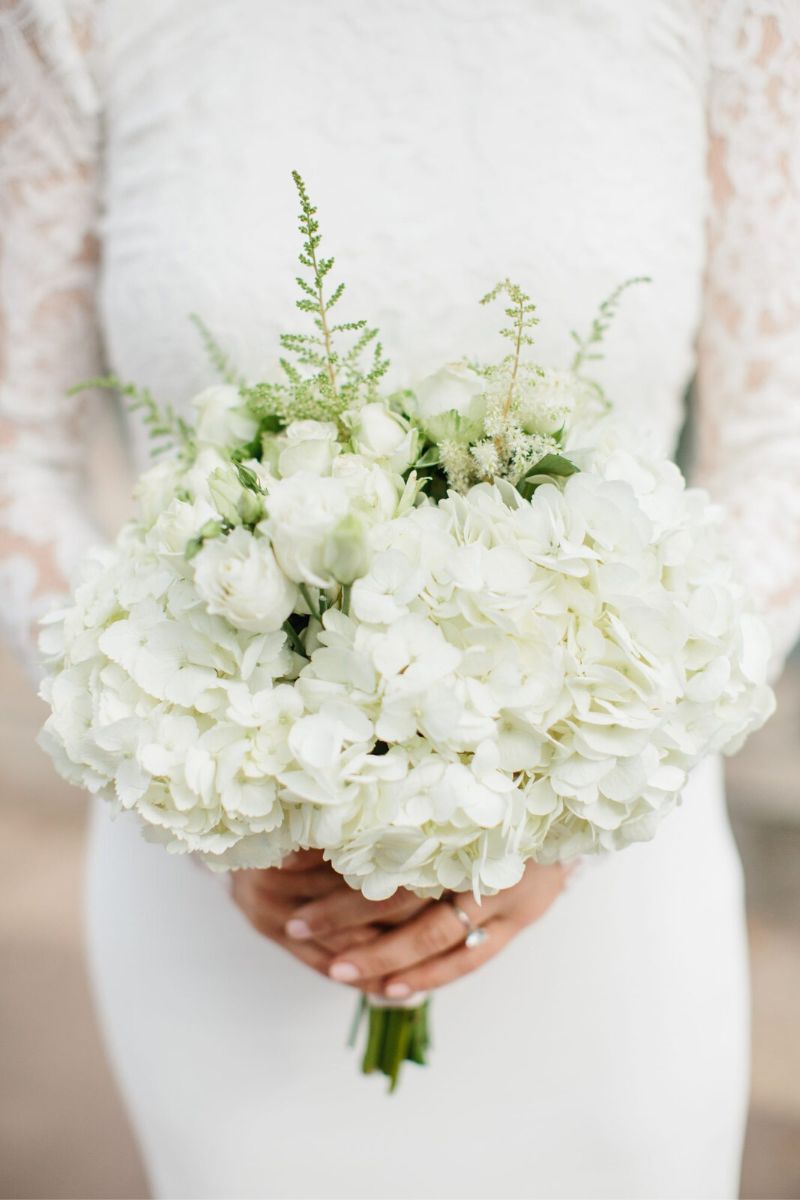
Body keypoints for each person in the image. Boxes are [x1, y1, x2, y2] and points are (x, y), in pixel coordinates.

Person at [1, 3, 798, 1197]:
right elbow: (15, 440)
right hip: (231, 877)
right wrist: (223, 784)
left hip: (609, 877)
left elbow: (778, 437)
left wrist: (557, 807)